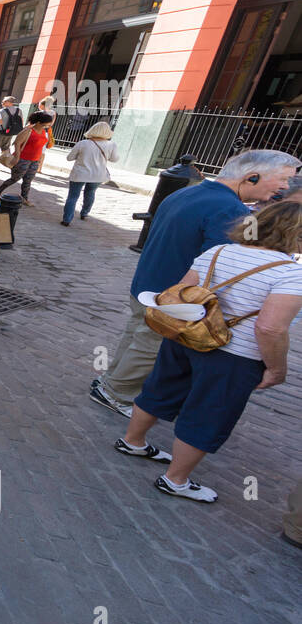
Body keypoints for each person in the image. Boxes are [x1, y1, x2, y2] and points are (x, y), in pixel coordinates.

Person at [114, 202, 302, 503]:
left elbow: (181, 292)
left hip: (186, 337)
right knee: (209, 412)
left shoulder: (218, 252)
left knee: (160, 389)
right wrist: (276, 369)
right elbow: (270, 329)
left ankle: (133, 441)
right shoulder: (291, 274)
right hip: (234, 355)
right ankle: (175, 480)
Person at [90, 150, 300, 418]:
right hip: (175, 298)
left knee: (137, 338)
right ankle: (116, 393)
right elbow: (224, 265)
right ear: (252, 177)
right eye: (283, 180)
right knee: (148, 347)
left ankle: (111, 384)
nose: (285, 187)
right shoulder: (232, 210)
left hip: (150, 284)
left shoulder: (189, 191)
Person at [62, 121, 119, 226]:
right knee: (90, 193)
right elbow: (114, 159)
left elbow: (69, 158)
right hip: (98, 175)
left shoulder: (83, 143)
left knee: (73, 196)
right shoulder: (111, 145)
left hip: (80, 174)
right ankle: (84, 213)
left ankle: (67, 219)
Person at [0, 111, 54, 207]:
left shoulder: (43, 131)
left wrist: (39, 159)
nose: (48, 126)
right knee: (15, 178)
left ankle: (24, 199)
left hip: (34, 160)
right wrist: (17, 157)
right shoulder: (28, 130)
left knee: (28, 181)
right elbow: (17, 143)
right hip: (23, 159)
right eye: (46, 124)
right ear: (39, 122)